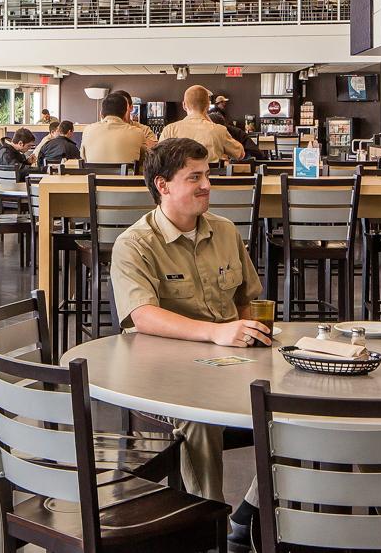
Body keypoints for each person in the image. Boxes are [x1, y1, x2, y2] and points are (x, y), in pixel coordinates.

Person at [108, 137, 268, 518]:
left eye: (207, 174)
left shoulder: (226, 231)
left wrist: (255, 337)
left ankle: (248, 516)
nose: (207, 185)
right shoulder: (135, 244)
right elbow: (142, 316)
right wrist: (215, 332)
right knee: (199, 418)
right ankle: (207, 521)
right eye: (194, 177)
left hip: (230, 367)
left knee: (297, 406)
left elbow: (248, 299)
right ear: (162, 186)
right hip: (165, 378)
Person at [162, 83, 245, 163]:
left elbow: (159, 158)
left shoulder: (169, 130)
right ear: (208, 106)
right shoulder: (219, 130)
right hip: (211, 177)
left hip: (180, 177)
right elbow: (240, 154)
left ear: (184, 105)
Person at [80, 92, 151, 168]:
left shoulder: (87, 130)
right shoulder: (138, 132)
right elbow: (145, 160)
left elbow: (83, 158)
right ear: (124, 114)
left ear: (101, 114)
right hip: (126, 179)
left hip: (95, 179)